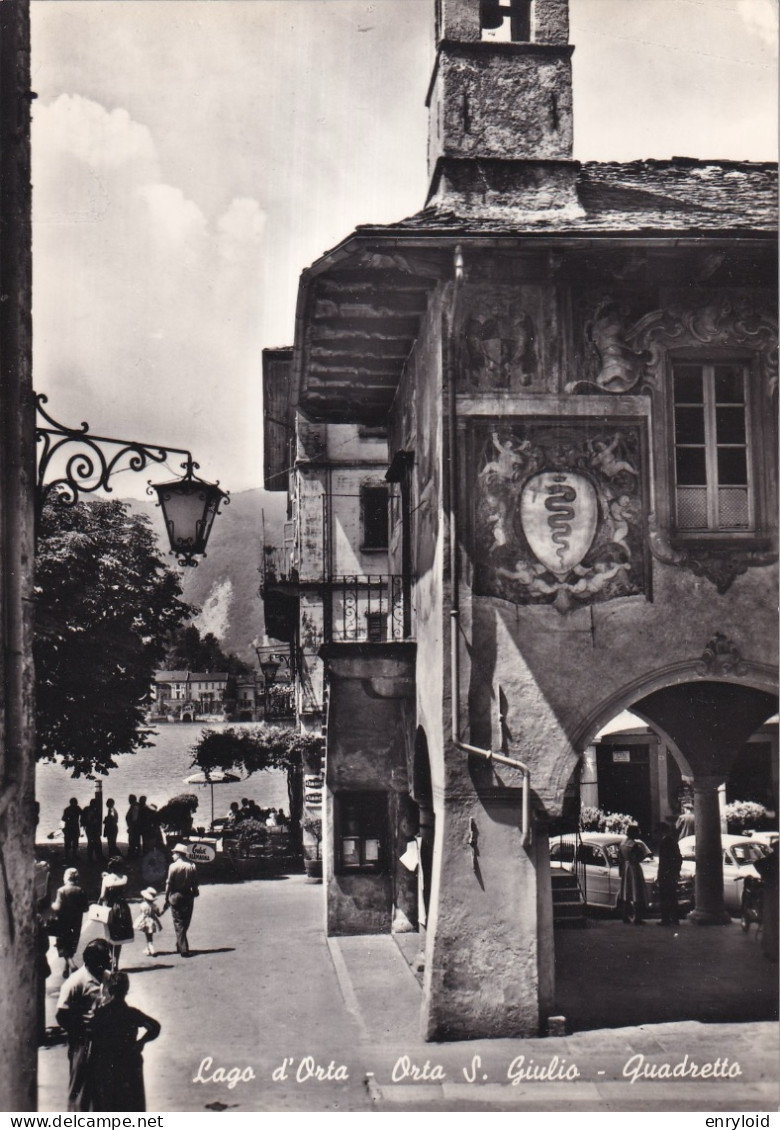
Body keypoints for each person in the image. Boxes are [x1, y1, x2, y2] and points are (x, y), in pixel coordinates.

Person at [89, 971, 161, 1112]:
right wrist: (141, 1042)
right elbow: (155, 1027)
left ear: (109, 990)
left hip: (107, 1066)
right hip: (129, 1063)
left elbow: (92, 1038)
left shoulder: (101, 1014)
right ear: (126, 990)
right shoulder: (132, 1014)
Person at [56, 938, 112, 1111]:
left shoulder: (107, 978)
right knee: (80, 1089)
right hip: (83, 1041)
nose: (109, 961)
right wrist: (80, 1027)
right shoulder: (75, 982)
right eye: (105, 958)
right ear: (94, 961)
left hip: (103, 1040)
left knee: (102, 1088)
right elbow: (61, 1015)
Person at [52, 867, 90, 978]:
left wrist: (52, 906)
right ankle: (66, 968)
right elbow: (86, 908)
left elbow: (57, 907)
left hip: (63, 922)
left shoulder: (61, 891)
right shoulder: (81, 890)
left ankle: (72, 966)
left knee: (63, 945)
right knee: (71, 945)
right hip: (76, 922)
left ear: (66, 877)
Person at [98, 856, 134, 970]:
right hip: (122, 907)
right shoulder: (125, 878)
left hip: (110, 907)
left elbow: (103, 896)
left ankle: (110, 960)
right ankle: (116, 962)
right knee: (119, 937)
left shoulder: (106, 879)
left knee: (109, 935)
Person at [164, 844, 199, 957]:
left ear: (178, 854)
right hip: (188, 895)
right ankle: (180, 943)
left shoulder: (173, 866)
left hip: (176, 895)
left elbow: (169, 883)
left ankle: (183, 948)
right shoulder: (192, 865)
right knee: (186, 920)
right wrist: (195, 890)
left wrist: (166, 897)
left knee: (178, 922)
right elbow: (195, 882)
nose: (173, 855)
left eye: (174, 853)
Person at [753, 843, 778, 963]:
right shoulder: (773, 859)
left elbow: (760, 865)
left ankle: (772, 951)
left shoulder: (773, 859)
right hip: (773, 891)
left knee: (772, 922)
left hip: (773, 893)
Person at [618, 825, 648, 925]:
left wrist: (621, 871)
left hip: (625, 868)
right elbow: (639, 857)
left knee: (626, 893)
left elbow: (620, 858)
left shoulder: (622, 843)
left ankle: (625, 916)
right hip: (634, 868)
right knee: (637, 893)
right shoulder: (634, 845)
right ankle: (637, 918)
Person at [654, 822, 682, 926]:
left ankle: (665, 919)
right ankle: (674, 919)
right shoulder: (672, 842)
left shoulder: (664, 843)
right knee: (672, 897)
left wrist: (660, 875)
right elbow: (678, 858)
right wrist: (676, 872)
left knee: (665, 897)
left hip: (665, 874)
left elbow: (663, 862)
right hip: (671, 874)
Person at [134, 887, 163, 956]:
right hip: (152, 921)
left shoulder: (142, 905)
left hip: (144, 921)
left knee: (148, 935)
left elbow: (141, 913)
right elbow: (158, 914)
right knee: (149, 935)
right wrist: (164, 910)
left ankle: (151, 948)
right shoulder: (155, 906)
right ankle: (148, 948)